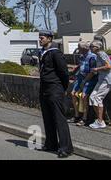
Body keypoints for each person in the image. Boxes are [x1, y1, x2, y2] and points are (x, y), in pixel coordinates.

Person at [38, 30, 73, 158]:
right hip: (44, 89)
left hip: (55, 88)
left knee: (59, 119)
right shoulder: (42, 52)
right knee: (47, 117)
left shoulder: (55, 53)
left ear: (49, 38)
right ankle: (51, 144)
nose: (40, 40)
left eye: (42, 38)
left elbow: (63, 72)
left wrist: (62, 87)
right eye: (39, 38)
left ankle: (66, 148)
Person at [68, 41, 98, 126]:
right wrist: (73, 72)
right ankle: (77, 115)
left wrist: (84, 81)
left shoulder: (92, 57)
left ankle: (85, 118)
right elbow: (80, 65)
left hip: (90, 78)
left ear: (84, 48)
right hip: (81, 76)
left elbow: (93, 72)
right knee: (73, 93)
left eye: (79, 48)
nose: (78, 49)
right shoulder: (81, 56)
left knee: (84, 95)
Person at [89, 40, 111, 129]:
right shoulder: (97, 55)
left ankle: (100, 121)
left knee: (97, 98)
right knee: (92, 97)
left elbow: (109, 66)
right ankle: (99, 120)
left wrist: (97, 69)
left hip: (106, 80)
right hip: (101, 79)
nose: (90, 48)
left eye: (92, 46)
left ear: (97, 47)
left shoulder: (101, 54)